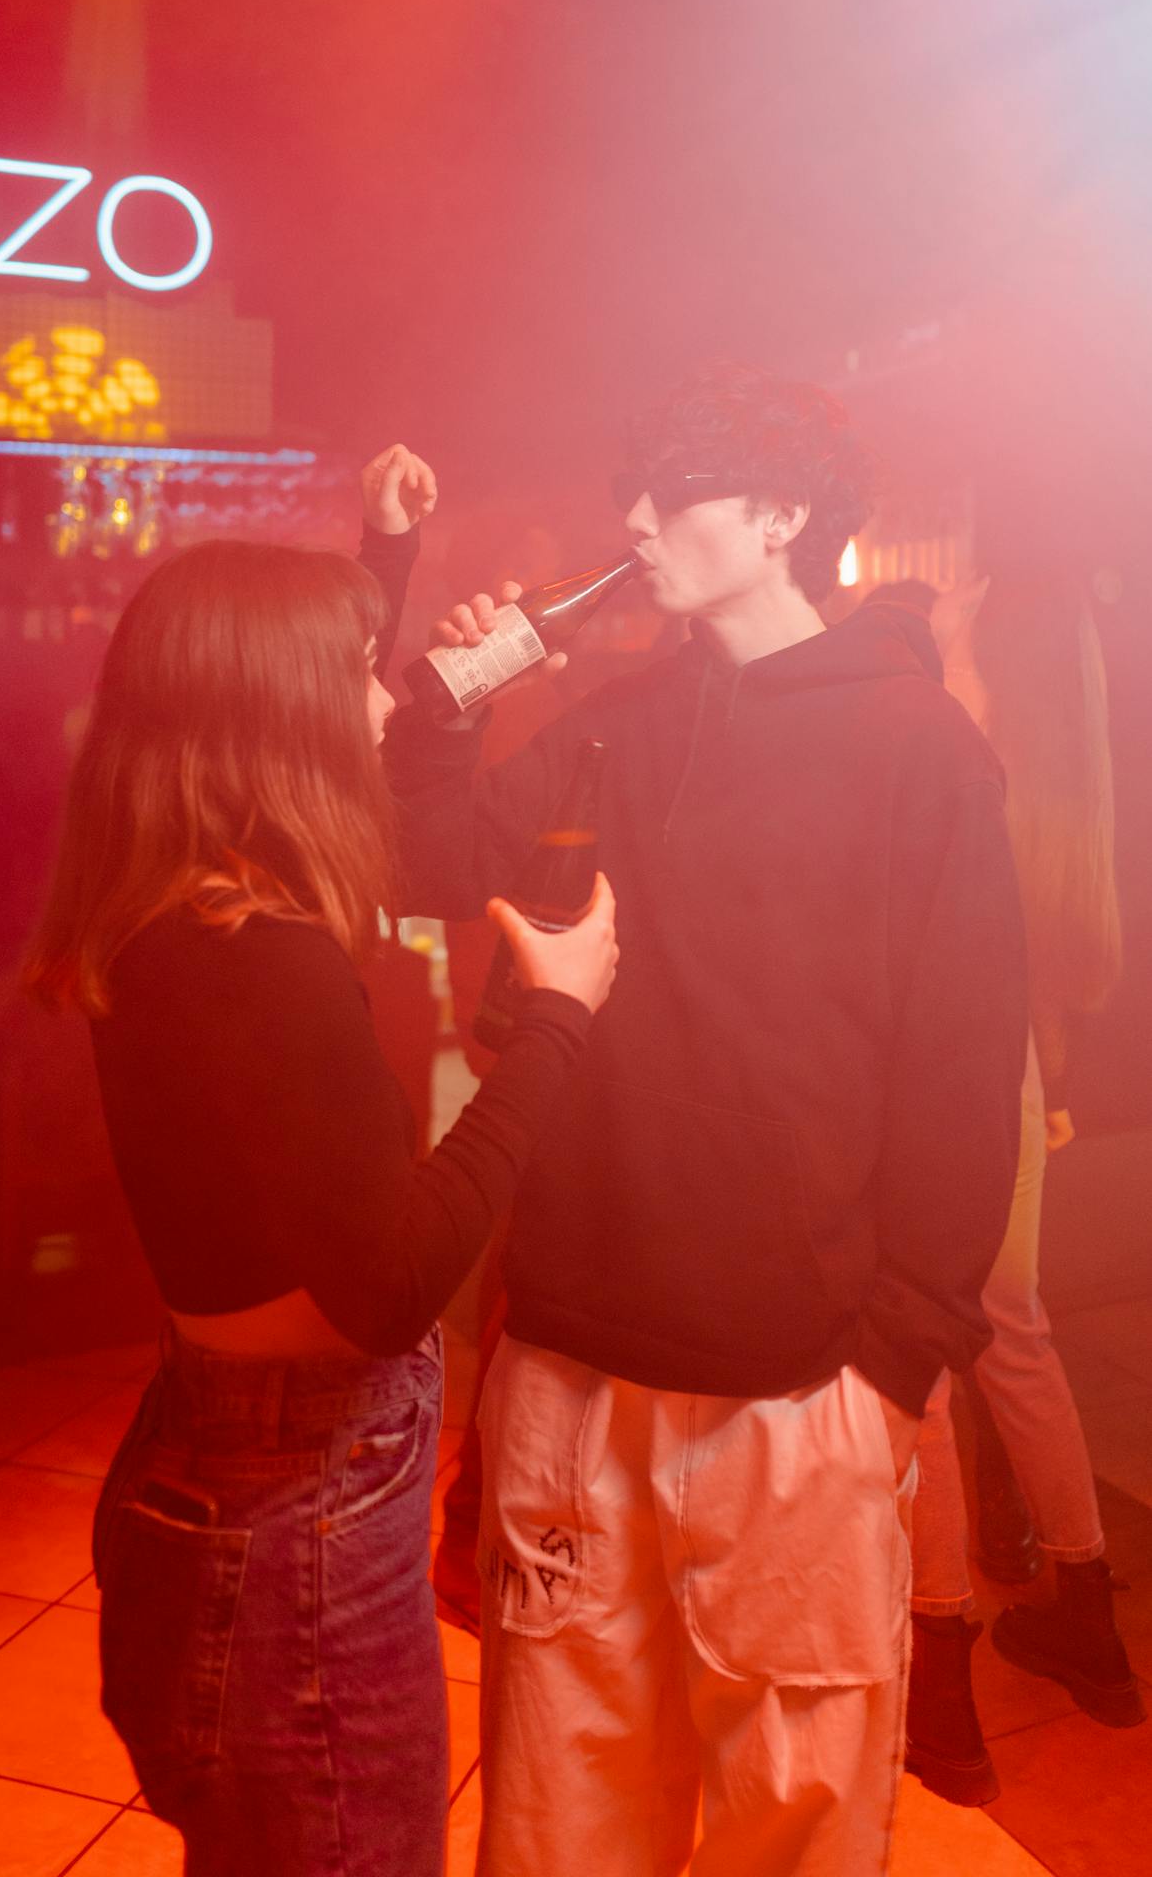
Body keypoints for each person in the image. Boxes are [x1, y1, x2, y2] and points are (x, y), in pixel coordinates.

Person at [380, 364, 1030, 1876]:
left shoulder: (917, 748)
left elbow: (958, 1072)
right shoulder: (622, 717)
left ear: (783, 519)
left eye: (676, 494)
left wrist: (893, 1363)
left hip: (797, 1394)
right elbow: (428, 863)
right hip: (571, 1367)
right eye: (638, 489)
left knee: (791, 1824)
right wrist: (445, 707)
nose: (637, 520)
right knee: (560, 1820)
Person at [24, 447, 619, 1877]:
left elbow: (382, 810)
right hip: (293, 1504)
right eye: (358, 667)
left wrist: (388, 556)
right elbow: (392, 1282)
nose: (385, 690)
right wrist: (552, 1022)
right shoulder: (263, 962)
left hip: (224, 1456)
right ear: (281, 711)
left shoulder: (176, 890)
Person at [905, 570, 1143, 1807]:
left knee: (928, 1359)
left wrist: (939, 646)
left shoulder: (959, 744)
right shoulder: (1066, 784)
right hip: (1016, 1070)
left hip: (939, 1072)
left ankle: (937, 1677)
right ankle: (1088, 1618)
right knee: (1018, 1336)